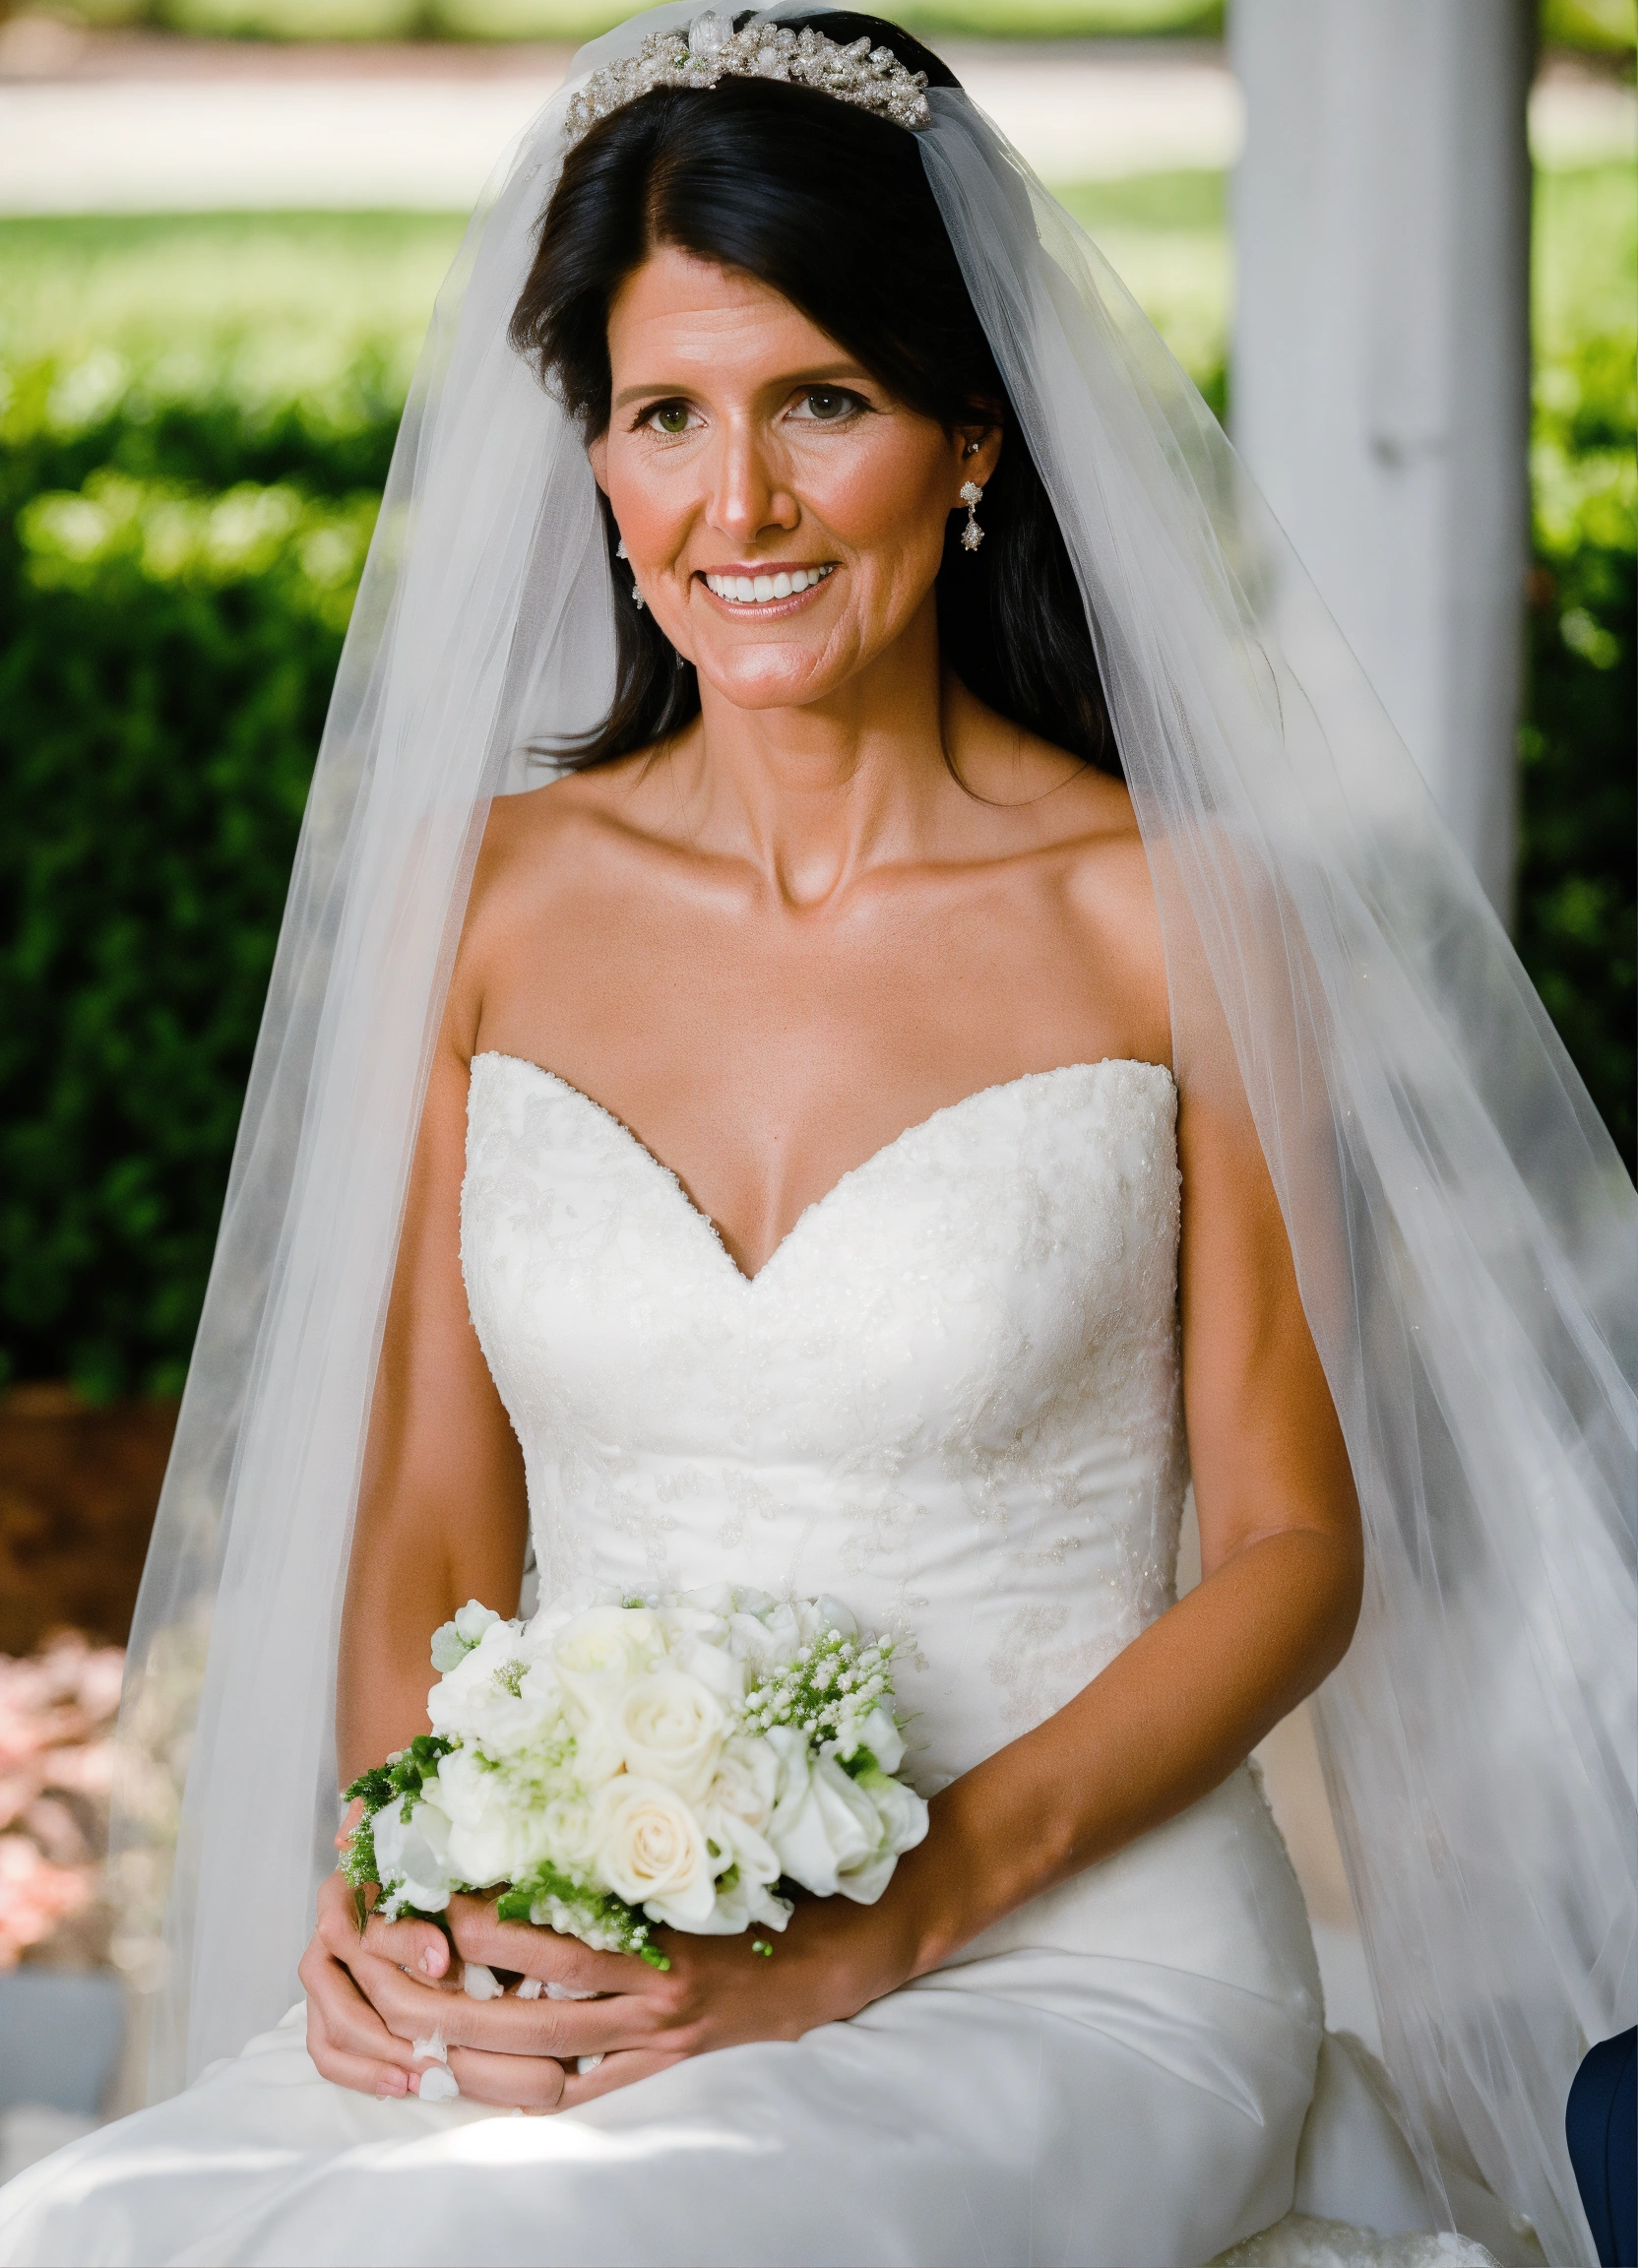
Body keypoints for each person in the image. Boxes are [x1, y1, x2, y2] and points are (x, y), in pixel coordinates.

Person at [0, 9, 1631, 2264]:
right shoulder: (485, 898)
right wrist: (406, 1871)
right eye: (662, 414)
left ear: (969, 440)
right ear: (590, 455)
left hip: (1079, 1957)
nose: (734, 507)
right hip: (591, 1968)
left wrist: (913, 1904)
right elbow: (432, 1519)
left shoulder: (1179, 912)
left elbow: (1286, 1551)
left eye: (819, 407)